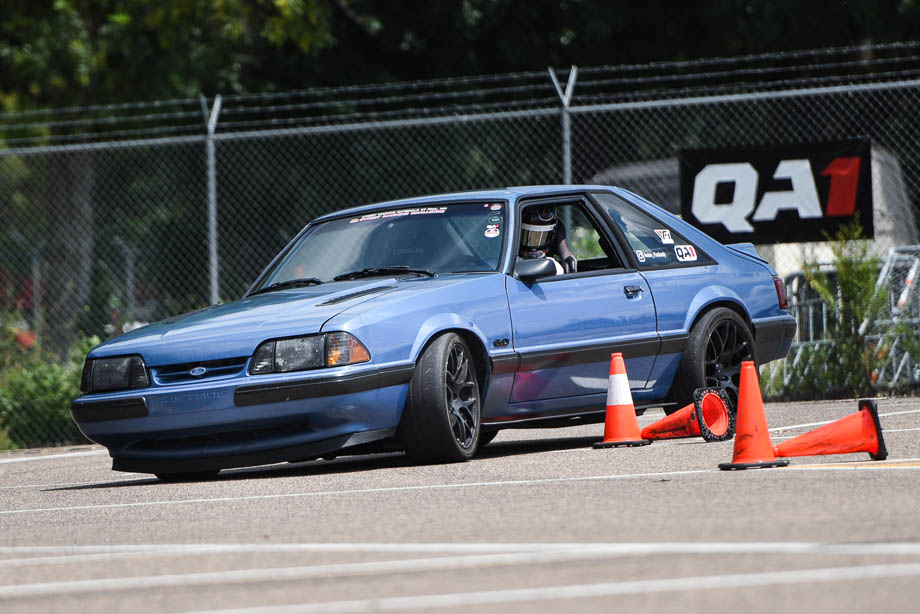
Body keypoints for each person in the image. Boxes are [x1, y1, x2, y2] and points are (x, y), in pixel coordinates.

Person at [519, 206, 577, 274]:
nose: (536, 240)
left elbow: (567, 257)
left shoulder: (556, 267)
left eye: (541, 236)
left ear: (552, 235)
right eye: (530, 236)